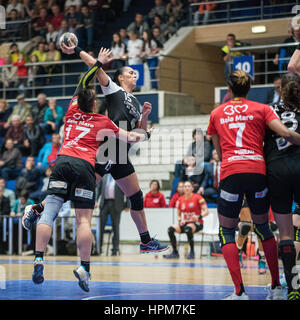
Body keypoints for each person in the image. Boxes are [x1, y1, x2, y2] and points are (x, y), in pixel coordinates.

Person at [22, 45, 153, 292]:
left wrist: (98, 64)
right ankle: (85, 267)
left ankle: (38, 256)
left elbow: (84, 80)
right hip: (85, 164)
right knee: (84, 221)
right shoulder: (102, 119)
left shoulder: (71, 111)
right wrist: (144, 136)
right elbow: (128, 137)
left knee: (50, 211)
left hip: (62, 162)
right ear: (95, 103)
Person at [56, 43, 169, 256]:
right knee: (81, 187)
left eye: (135, 73)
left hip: (122, 153)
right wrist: (78, 48)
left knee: (136, 196)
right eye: (130, 72)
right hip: (109, 148)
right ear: (121, 78)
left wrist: (144, 116)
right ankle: (42, 208)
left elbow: (139, 134)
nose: (134, 74)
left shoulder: (135, 101)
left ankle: (145, 240)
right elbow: (96, 68)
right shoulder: (114, 90)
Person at [207, 69, 300, 300]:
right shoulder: (262, 108)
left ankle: (239, 292)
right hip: (258, 171)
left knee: (226, 230)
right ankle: (277, 287)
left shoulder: (216, 113)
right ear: (250, 89)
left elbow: (218, 152)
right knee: (263, 228)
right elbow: (286, 133)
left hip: (231, 172)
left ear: (229, 90)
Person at [263, 72, 300, 300]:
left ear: (280, 91)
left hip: (276, 170)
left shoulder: (268, 110)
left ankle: (293, 288)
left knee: (285, 234)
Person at [163, 180, 209, 259]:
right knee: (170, 229)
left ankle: (192, 252)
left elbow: (206, 211)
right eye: (185, 186)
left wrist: (198, 217)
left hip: (197, 223)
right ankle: (175, 252)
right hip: (185, 223)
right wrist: (180, 220)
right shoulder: (180, 200)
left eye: (189, 186)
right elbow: (178, 215)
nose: (187, 188)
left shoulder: (198, 197)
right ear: (183, 189)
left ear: (192, 188)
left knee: (188, 228)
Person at [97, 174, 129, 256]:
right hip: (105, 203)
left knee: (116, 227)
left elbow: (128, 190)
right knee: (100, 227)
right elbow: (99, 189)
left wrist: (127, 205)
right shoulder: (104, 176)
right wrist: (96, 200)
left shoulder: (121, 176)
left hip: (116, 204)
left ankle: (115, 249)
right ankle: (98, 248)